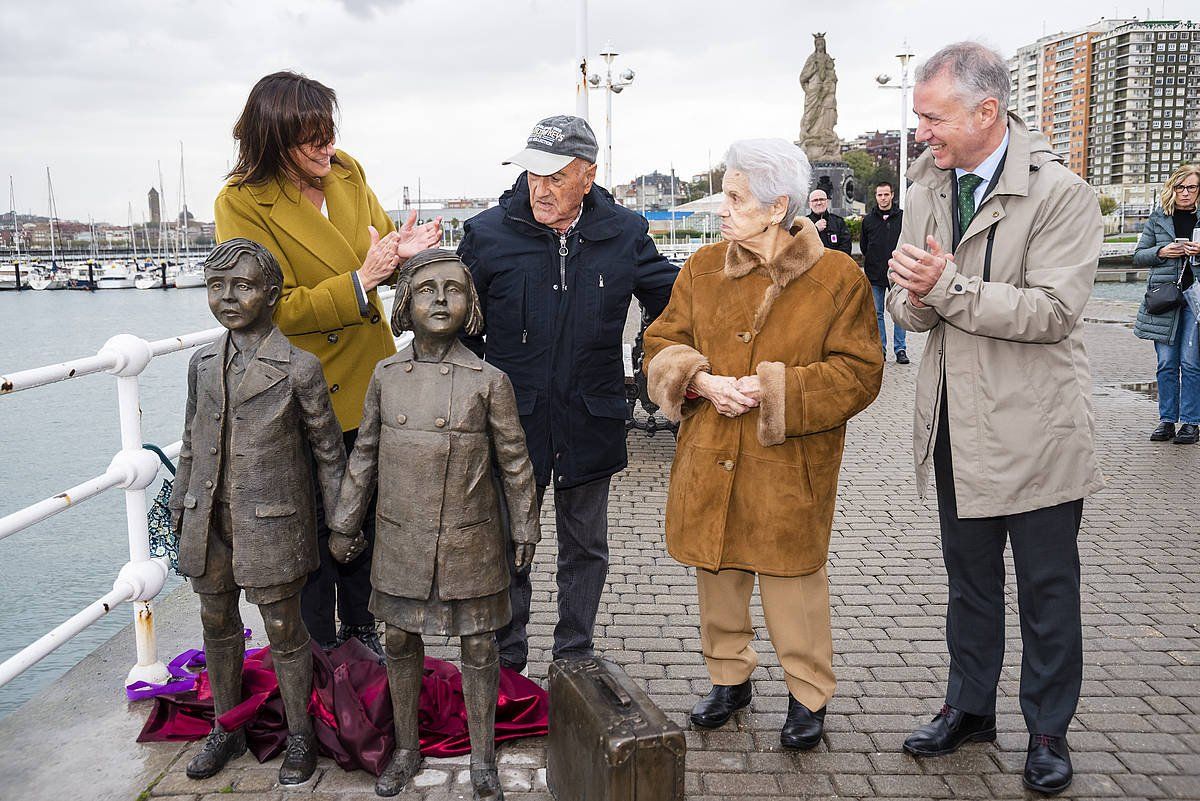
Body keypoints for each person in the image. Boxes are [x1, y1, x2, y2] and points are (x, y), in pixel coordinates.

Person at [885, 42, 1103, 795]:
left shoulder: (1062, 193)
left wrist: (943, 287)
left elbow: (1053, 311)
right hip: (954, 424)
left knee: (1047, 590)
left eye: (932, 117)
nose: (921, 133)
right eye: (919, 116)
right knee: (968, 584)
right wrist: (912, 295)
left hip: (1037, 431)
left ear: (988, 111)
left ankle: (1048, 729)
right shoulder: (926, 185)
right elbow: (908, 308)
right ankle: (969, 706)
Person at [643, 138, 882, 751]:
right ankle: (729, 679)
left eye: (734, 197)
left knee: (792, 582)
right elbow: (659, 342)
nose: (721, 208)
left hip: (789, 462)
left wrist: (773, 389)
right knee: (716, 573)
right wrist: (698, 380)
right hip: (710, 451)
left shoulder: (837, 278)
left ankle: (808, 695)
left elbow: (859, 374)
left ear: (778, 207)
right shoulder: (700, 269)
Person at [214, 71, 442, 656]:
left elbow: (381, 249)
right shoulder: (241, 203)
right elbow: (266, 308)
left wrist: (403, 259)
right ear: (271, 139)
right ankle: (317, 657)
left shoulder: (347, 172)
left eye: (330, 132)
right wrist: (361, 282)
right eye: (311, 138)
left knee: (368, 517)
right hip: (299, 393)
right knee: (312, 532)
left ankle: (366, 642)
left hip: (369, 379)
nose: (327, 148)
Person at [457, 115, 677, 673]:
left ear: (588, 175)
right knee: (510, 545)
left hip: (590, 415)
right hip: (512, 423)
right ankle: (508, 661)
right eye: (533, 174)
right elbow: (454, 327)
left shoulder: (625, 233)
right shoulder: (487, 235)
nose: (542, 188)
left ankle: (574, 653)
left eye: (556, 176)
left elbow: (676, 299)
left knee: (585, 547)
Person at [331, 249, 540, 799]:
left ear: (471, 305)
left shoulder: (488, 380)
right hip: (401, 536)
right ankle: (405, 747)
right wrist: (345, 523)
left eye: (454, 289)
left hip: (469, 539)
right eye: (427, 289)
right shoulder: (385, 375)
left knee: (479, 647)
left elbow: (515, 462)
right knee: (399, 639)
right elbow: (365, 456)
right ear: (405, 304)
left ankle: (483, 754)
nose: (441, 300)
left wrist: (525, 528)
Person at [170, 238, 346, 785]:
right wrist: (180, 503)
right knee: (215, 622)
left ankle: (299, 735)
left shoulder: (299, 368)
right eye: (216, 287)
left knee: (283, 628)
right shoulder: (202, 365)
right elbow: (192, 443)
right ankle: (228, 727)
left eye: (241, 286)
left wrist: (342, 524)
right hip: (210, 520)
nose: (226, 298)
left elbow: (328, 454)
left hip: (272, 524)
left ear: (271, 294)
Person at [1133, 163, 1200, 445]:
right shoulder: (1158, 217)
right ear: (1172, 189)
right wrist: (1162, 251)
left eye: (1192, 187)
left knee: (1191, 363)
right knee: (1166, 363)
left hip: (1196, 300)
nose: (1185, 193)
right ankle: (1167, 420)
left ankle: (1191, 423)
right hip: (1165, 299)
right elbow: (1139, 256)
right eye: (1180, 187)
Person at [860, 181, 908, 363]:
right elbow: (864, 246)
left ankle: (901, 349)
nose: (883, 198)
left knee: (898, 313)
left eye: (886, 194)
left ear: (892, 195)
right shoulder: (868, 220)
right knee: (877, 313)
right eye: (880, 195)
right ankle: (881, 349)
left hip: (898, 273)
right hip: (875, 274)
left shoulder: (903, 217)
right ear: (876, 196)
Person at [801, 189, 851, 255]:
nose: (819, 203)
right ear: (810, 204)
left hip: (834, 263)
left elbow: (846, 247)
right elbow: (800, 247)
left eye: (822, 199)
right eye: (815, 200)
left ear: (827, 202)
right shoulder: (803, 223)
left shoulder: (838, 222)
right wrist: (815, 229)